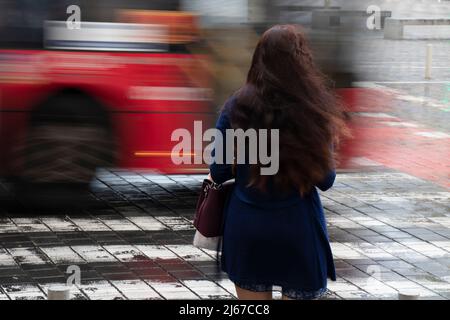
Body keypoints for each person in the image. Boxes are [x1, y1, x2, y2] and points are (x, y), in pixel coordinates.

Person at [209, 25, 349, 300]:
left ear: (258, 60)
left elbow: (219, 170)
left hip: (246, 226)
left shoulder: (235, 105)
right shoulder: (313, 110)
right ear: (303, 63)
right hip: (297, 229)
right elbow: (326, 180)